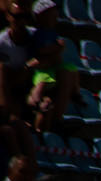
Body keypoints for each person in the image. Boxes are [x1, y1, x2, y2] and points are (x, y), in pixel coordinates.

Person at [0, 1, 80, 139]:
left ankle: (53, 124)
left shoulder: (35, 35)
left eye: (25, 16)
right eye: (17, 16)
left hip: (32, 82)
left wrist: (30, 66)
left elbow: (54, 58)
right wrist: (29, 67)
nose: (22, 21)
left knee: (66, 73)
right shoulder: (2, 42)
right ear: (8, 16)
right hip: (12, 88)